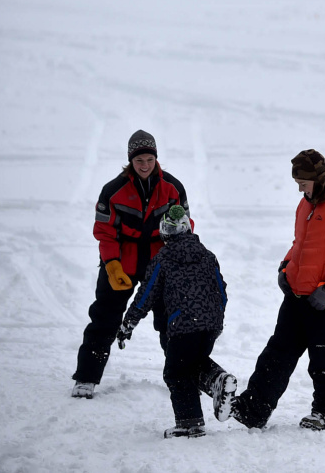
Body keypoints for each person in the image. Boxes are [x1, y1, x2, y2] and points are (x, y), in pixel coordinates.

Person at [230, 149, 325, 431]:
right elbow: (300, 244)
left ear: (319, 178)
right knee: (277, 353)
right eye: (297, 183)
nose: (299, 188)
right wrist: (285, 267)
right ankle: (254, 408)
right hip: (296, 296)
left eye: (303, 182)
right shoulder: (306, 204)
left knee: (324, 357)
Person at [71, 130, 191, 399]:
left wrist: (179, 258)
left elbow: (185, 227)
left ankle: (181, 377)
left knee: (171, 321)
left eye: (149, 159)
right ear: (130, 161)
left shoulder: (173, 188)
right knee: (104, 318)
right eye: (139, 161)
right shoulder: (113, 191)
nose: (145, 165)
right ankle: (86, 378)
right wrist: (111, 264)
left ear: (156, 158)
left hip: (161, 264)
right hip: (122, 264)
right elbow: (105, 231)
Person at [116, 204, 236, 439]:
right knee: (192, 364)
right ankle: (218, 380)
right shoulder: (207, 254)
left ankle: (189, 422)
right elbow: (221, 291)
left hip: (183, 324)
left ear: (166, 232)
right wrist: (215, 321)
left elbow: (146, 295)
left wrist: (128, 324)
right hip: (211, 323)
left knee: (176, 372)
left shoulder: (164, 257)